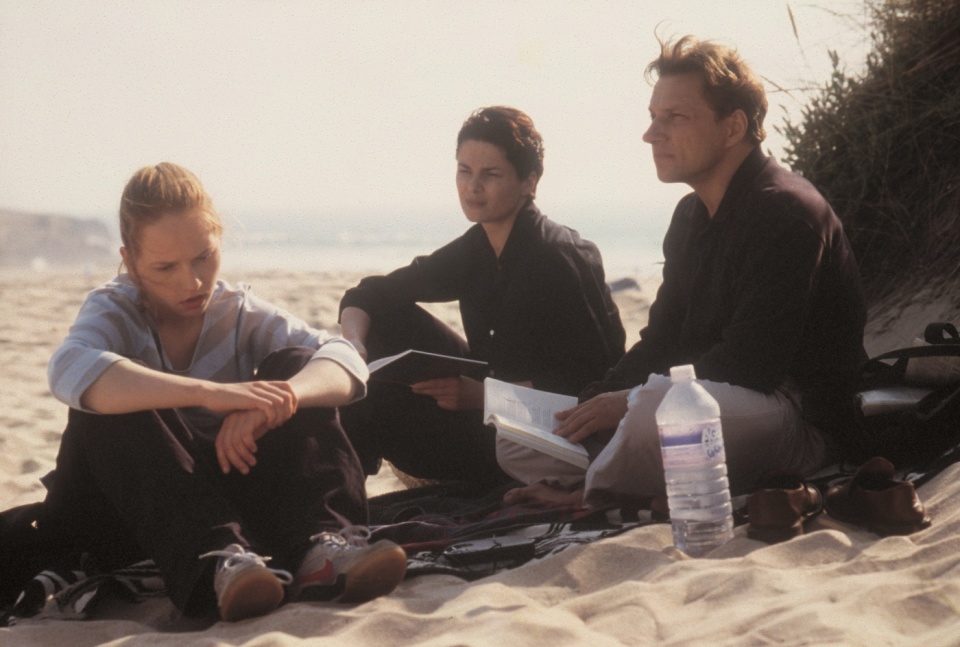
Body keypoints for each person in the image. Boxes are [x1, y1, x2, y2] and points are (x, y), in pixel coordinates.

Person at [498, 36, 868, 508]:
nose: (652, 134)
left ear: (733, 128)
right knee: (519, 432)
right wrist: (595, 399)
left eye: (674, 118)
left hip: (797, 421)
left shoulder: (786, 213)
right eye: (653, 117)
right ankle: (616, 469)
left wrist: (629, 402)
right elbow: (660, 340)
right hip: (714, 406)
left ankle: (591, 492)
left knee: (654, 408)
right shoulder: (690, 217)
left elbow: (751, 364)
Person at [41, 162, 407, 622]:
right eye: (164, 267)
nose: (191, 282)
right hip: (123, 512)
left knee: (294, 364)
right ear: (130, 261)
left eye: (203, 257)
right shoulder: (114, 310)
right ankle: (217, 564)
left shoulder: (236, 312)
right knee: (112, 390)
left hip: (221, 497)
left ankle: (322, 550)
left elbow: (347, 361)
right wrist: (209, 394)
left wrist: (276, 402)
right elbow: (67, 368)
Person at [338, 106, 626, 485]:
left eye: (490, 174)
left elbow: (595, 382)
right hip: (488, 404)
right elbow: (370, 293)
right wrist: (354, 349)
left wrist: (484, 397)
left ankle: (344, 494)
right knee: (385, 323)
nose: (473, 187)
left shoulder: (557, 256)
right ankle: (347, 490)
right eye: (464, 170)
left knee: (378, 408)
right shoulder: (478, 247)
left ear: (529, 182)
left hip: (546, 436)